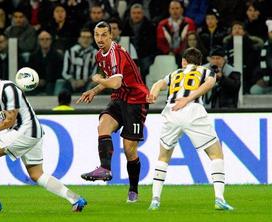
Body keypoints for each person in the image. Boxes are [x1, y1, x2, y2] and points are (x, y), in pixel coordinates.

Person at [0, 62, 87, 213]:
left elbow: (9, 121)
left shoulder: (8, 89)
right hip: (27, 133)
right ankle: (75, 199)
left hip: (25, 130)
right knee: (37, 175)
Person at [146, 48, 234, 211]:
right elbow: (209, 84)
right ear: (200, 62)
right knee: (216, 154)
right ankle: (219, 199)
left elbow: (158, 84)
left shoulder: (175, 73)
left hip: (171, 110)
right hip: (192, 109)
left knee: (163, 156)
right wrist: (188, 98)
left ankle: (155, 200)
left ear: (184, 62)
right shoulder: (206, 71)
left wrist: (153, 94)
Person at [77, 21, 149, 203]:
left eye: (103, 35)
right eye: (97, 35)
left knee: (129, 150)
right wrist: (94, 90)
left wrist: (97, 78)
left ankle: (133, 190)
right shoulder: (99, 55)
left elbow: (115, 82)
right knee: (103, 126)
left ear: (111, 36)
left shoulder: (116, 53)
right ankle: (105, 169)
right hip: (119, 98)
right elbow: (112, 82)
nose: (100, 39)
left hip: (136, 100)